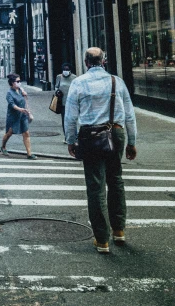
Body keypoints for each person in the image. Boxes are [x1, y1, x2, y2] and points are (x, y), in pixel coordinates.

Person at [65, 47, 137, 254]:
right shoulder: (117, 82)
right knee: (116, 180)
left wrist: (71, 140)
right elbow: (129, 115)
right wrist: (131, 142)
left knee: (96, 186)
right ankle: (119, 231)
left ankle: (102, 240)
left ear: (86, 62)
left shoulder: (78, 83)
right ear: (103, 61)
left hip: (91, 136)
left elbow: (70, 117)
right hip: (116, 133)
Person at [0, 73, 37, 159]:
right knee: (9, 133)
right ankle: (3, 146)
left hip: (23, 115)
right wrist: (20, 109)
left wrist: (25, 94)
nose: (19, 83)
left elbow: (25, 98)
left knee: (26, 133)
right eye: (18, 81)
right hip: (13, 116)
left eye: (20, 81)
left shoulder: (20, 90)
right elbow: (12, 104)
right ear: (12, 83)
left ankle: (29, 153)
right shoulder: (9, 93)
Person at [54, 62, 77, 136]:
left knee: (72, 119)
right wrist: (57, 91)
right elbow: (56, 86)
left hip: (72, 102)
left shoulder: (74, 77)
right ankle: (66, 136)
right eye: (64, 69)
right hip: (62, 102)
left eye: (67, 69)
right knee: (64, 120)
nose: (65, 71)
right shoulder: (59, 77)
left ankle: (74, 135)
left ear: (70, 70)